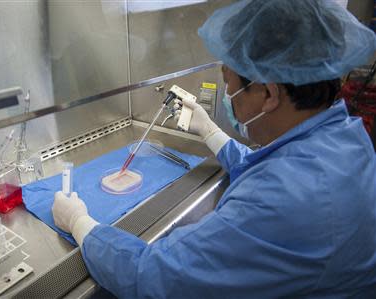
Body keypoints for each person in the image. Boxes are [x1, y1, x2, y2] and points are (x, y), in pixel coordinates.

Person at [52, 0, 376, 297]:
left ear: (269, 94)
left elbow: (152, 275)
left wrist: (81, 223)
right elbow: (278, 169)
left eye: (231, 85)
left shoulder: (281, 202)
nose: (229, 95)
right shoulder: (347, 140)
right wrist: (210, 132)